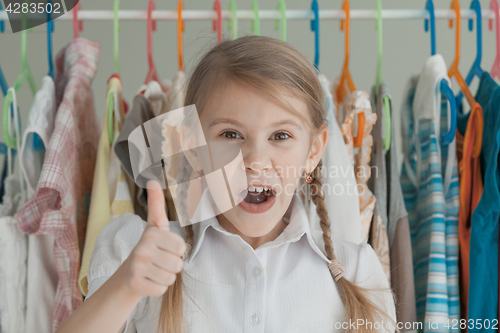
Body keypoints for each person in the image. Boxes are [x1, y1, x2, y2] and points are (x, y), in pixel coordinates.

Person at [56, 35, 396, 333]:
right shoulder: (133, 250)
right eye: (231, 134)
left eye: (281, 135)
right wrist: (125, 286)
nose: (255, 159)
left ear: (313, 152)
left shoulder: (357, 270)